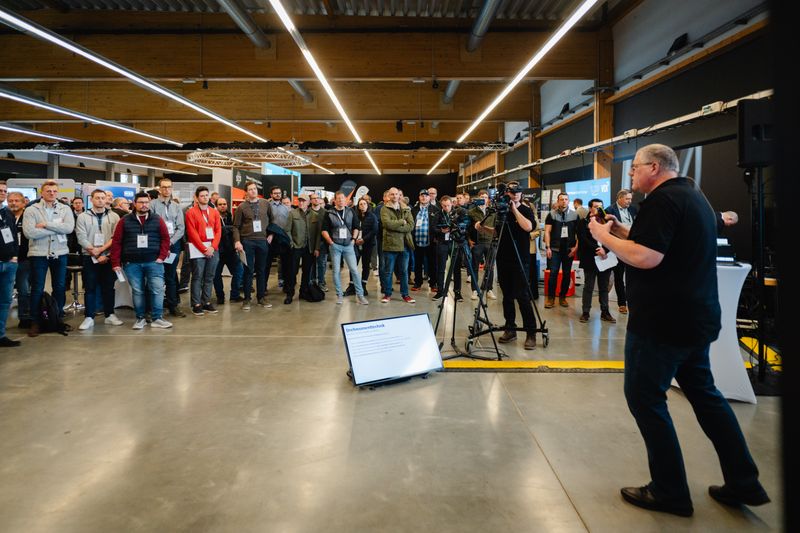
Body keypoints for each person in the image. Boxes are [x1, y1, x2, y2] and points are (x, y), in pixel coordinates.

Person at [589, 143, 769, 517]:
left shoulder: (662, 200)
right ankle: (744, 481)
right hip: (696, 319)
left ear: (654, 167)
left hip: (661, 324)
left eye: (636, 168)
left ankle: (669, 490)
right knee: (705, 395)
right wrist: (625, 231)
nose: (632, 175)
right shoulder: (694, 196)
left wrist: (603, 236)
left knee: (645, 398)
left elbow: (647, 257)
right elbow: (659, 241)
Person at [477, 181, 536, 350]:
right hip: (503, 258)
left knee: (523, 296)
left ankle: (530, 332)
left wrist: (514, 209)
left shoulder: (525, 209)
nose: (516, 194)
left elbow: (528, 227)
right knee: (507, 296)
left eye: (518, 192)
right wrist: (483, 229)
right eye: (512, 192)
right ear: (507, 193)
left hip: (520, 258)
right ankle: (510, 328)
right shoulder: (501, 212)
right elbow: (497, 232)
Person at [110, 191, 173, 330]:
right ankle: (140, 318)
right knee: (138, 291)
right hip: (132, 263)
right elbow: (117, 242)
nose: (144, 205)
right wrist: (115, 262)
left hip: (154, 262)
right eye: (141, 202)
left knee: (157, 290)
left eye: (146, 202)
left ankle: (157, 318)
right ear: (134, 203)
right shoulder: (125, 220)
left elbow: (165, 239)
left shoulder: (157, 219)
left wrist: (161, 257)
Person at [22, 180, 74, 337]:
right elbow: (29, 233)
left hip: (60, 252)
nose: (52, 193)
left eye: (54, 191)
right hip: (39, 253)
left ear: (57, 193)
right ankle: (35, 321)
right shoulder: (31, 210)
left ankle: (56, 318)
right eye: (48, 191)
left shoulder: (65, 209)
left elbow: (69, 228)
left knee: (59, 287)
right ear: (42, 193)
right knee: (37, 288)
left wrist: (45, 225)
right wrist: (56, 229)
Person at [75, 189, 123, 330]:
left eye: (103, 198)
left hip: (108, 257)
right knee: (90, 287)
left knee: (109, 287)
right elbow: (81, 237)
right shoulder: (83, 217)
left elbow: (116, 237)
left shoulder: (114, 216)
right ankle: (89, 317)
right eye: (97, 198)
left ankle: (110, 315)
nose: (101, 200)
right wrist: (94, 252)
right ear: (92, 200)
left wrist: (102, 251)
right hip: (89, 256)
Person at [320, 191, 368, 305]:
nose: (341, 200)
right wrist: (331, 242)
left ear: (345, 200)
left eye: (343, 198)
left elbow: (356, 227)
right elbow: (324, 230)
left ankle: (360, 295)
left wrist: (353, 240)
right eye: (339, 198)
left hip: (348, 245)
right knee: (336, 271)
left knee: (355, 271)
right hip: (335, 246)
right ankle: (339, 295)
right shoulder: (329, 213)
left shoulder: (351, 211)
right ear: (335, 200)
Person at [233, 181, 274, 310]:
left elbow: (272, 221)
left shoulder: (265, 204)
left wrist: (271, 235)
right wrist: (237, 241)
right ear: (246, 192)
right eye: (250, 189)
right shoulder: (241, 207)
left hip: (262, 241)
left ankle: (261, 297)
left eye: (255, 189)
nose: (253, 191)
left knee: (262, 270)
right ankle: (247, 299)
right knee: (248, 271)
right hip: (247, 241)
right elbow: (235, 227)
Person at [150, 178, 187, 318]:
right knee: (155, 277)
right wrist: (163, 244)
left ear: (172, 189)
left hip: (173, 245)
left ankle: (173, 306)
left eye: (169, 187)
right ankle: (154, 307)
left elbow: (180, 228)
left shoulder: (177, 207)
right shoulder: (152, 205)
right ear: (159, 189)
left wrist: (170, 243)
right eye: (164, 187)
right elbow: (152, 226)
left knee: (171, 276)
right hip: (157, 245)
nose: (166, 190)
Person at [576, 198, 614, 324]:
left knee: (604, 287)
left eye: (601, 207)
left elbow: (612, 237)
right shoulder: (583, 222)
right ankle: (585, 312)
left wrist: (605, 250)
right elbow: (583, 239)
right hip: (590, 258)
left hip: (605, 258)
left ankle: (605, 312)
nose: (599, 209)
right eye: (596, 206)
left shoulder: (607, 221)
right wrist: (598, 249)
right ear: (590, 208)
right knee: (589, 286)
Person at [184, 186, 222, 316]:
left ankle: (206, 302)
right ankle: (196, 304)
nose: (205, 197)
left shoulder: (214, 212)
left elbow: (218, 231)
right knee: (197, 276)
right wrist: (204, 249)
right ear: (196, 197)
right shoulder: (191, 212)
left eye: (206, 195)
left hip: (213, 248)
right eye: (202, 196)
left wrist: (212, 247)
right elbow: (191, 233)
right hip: (197, 248)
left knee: (209, 276)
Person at [379, 187, 415, 304]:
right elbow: (387, 224)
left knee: (404, 272)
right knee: (388, 271)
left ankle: (405, 295)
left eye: (397, 194)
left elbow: (411, 225)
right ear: (389, 196)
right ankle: (387, 294)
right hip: (390, 245)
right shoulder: (384, 209)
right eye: (392, 194)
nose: (395, 196)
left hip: (404, 245)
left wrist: (398, 227)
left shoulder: (406, 209)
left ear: (400, 196)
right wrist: (401, 222)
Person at [543, 192, 578, 309]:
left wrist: (575, 248)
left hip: (569, 250)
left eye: (566, 199)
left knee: (567, 274)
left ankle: (562, 297)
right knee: (553, 273)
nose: (564, 201)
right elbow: (547, 232)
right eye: (561, 199)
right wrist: (548, 247)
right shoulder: (551, 215)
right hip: (554, 249)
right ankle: (551, 298)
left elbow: (579, 234)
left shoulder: (575, 215)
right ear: (558, 201)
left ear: (569, 201)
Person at [606, 188, 637, 314]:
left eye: (630, 199)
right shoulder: (610, 210)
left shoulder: (633, 209)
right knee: (618, 276)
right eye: (627, 199)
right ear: (619, 198)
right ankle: (622, 303)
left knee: (632, 277)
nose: (629, 201)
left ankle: (633, 301)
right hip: (617, 247)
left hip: (631, 246)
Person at [284, 193, 316, 303]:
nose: (301, 203)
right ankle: (290, 294)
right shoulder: (292, 213)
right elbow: (287, 230)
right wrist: (292, 243)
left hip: (308, 248)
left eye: (304, 201)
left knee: (307, 271)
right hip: (296, 247)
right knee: (292, 272)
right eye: (300, 201)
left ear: (308, 202)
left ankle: (304, 292)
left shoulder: (313, 214)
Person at [432, 196, 463, 301]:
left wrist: (455, 228)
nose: (446, 207)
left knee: (456, 268)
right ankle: (440, 291)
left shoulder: (457, 214)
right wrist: (441, 231)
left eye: (448, 205)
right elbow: (433, 228)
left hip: (454, 242)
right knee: (440, 268)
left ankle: (457, 292)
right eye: (444, 206)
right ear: (441, 205)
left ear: (452, 204)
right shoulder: (437, 214)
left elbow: (462, 227)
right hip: (442, 243)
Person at [7, 192, 31, 329]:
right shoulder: (5, 216)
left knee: (24, 290)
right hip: (7, 259)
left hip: (24, 259)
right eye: (11, 201)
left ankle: (25, 317)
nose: (13, 203)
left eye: (17, 201)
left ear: (23, 203)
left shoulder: (28, 216)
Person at [467, 189, 497, 301]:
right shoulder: (472, 212)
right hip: (477, 243)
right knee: (474, 267)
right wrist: (469, 240)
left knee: (490, 267)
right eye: (482, 197)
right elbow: (467, 228)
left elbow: (496, 227)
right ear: (478, 198)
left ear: (488, 199)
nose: (483, 199)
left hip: (490, 243)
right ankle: (475, 290)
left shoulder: (492, 212)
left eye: (485, 197)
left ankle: (488, 288)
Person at [213, 198, 243, 305]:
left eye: (224, 204)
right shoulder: (213, 217)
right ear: (216, 206)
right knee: (216, 275)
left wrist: (226, 229)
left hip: (230, 251)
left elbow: (236, 229)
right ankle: (220, 296)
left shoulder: (231, 216)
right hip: (217, 251)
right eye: (220, 204)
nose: (222, 206)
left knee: (239, 271)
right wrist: (228, 229)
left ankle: (234, 295)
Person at [0, 198, 20, 347]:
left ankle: (0, 335)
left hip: (9, 263)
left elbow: (12, 235)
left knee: (5, 301)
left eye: (4, 191)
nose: (2, 194)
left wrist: (15, 255)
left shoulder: (7, 212)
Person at [265, 186, 292, 295]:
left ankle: (286, 286)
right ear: (271, 195)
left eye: (279, 193)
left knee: (286, 264)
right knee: (266, 264)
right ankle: (263, 287)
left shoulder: (286, 208)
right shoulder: (267, 207)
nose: (277, 195)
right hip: (270, 238)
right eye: (275, 193)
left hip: (283, 238)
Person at [411, 189, 438, 293]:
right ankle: (418, 283)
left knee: (432, 264)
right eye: (422, 195)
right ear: (419, 197)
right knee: (418, 264)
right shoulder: (414, 210)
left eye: (426, 196)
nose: (424, 197)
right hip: (417, 241)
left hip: (431, 242)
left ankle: (433, 284)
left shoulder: (435, 210)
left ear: (429, 197)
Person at [352, 197, 377, 297]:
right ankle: (352, 286)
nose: (362, 206)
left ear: (368, 205)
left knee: (366, 265)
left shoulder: (372, 216)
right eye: (360, 204)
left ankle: (363, 285)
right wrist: (355, 239)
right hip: (356, 244)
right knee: (353, 265)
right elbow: (352, 227)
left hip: (368, 244)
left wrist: (364, 239)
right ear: (358, 206)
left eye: (364, 204)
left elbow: (374, 230)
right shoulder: (355, 216)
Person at [308, 193, 329, 291]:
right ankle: (312, 282)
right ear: (311, 200)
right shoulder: (307, 212)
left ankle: (321, 282)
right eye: (314, 198)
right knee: (311, 263)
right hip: (310, 243)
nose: (316, 200)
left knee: (322, 263)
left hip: (322, 243)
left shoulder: (325, 212)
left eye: (317, 198)